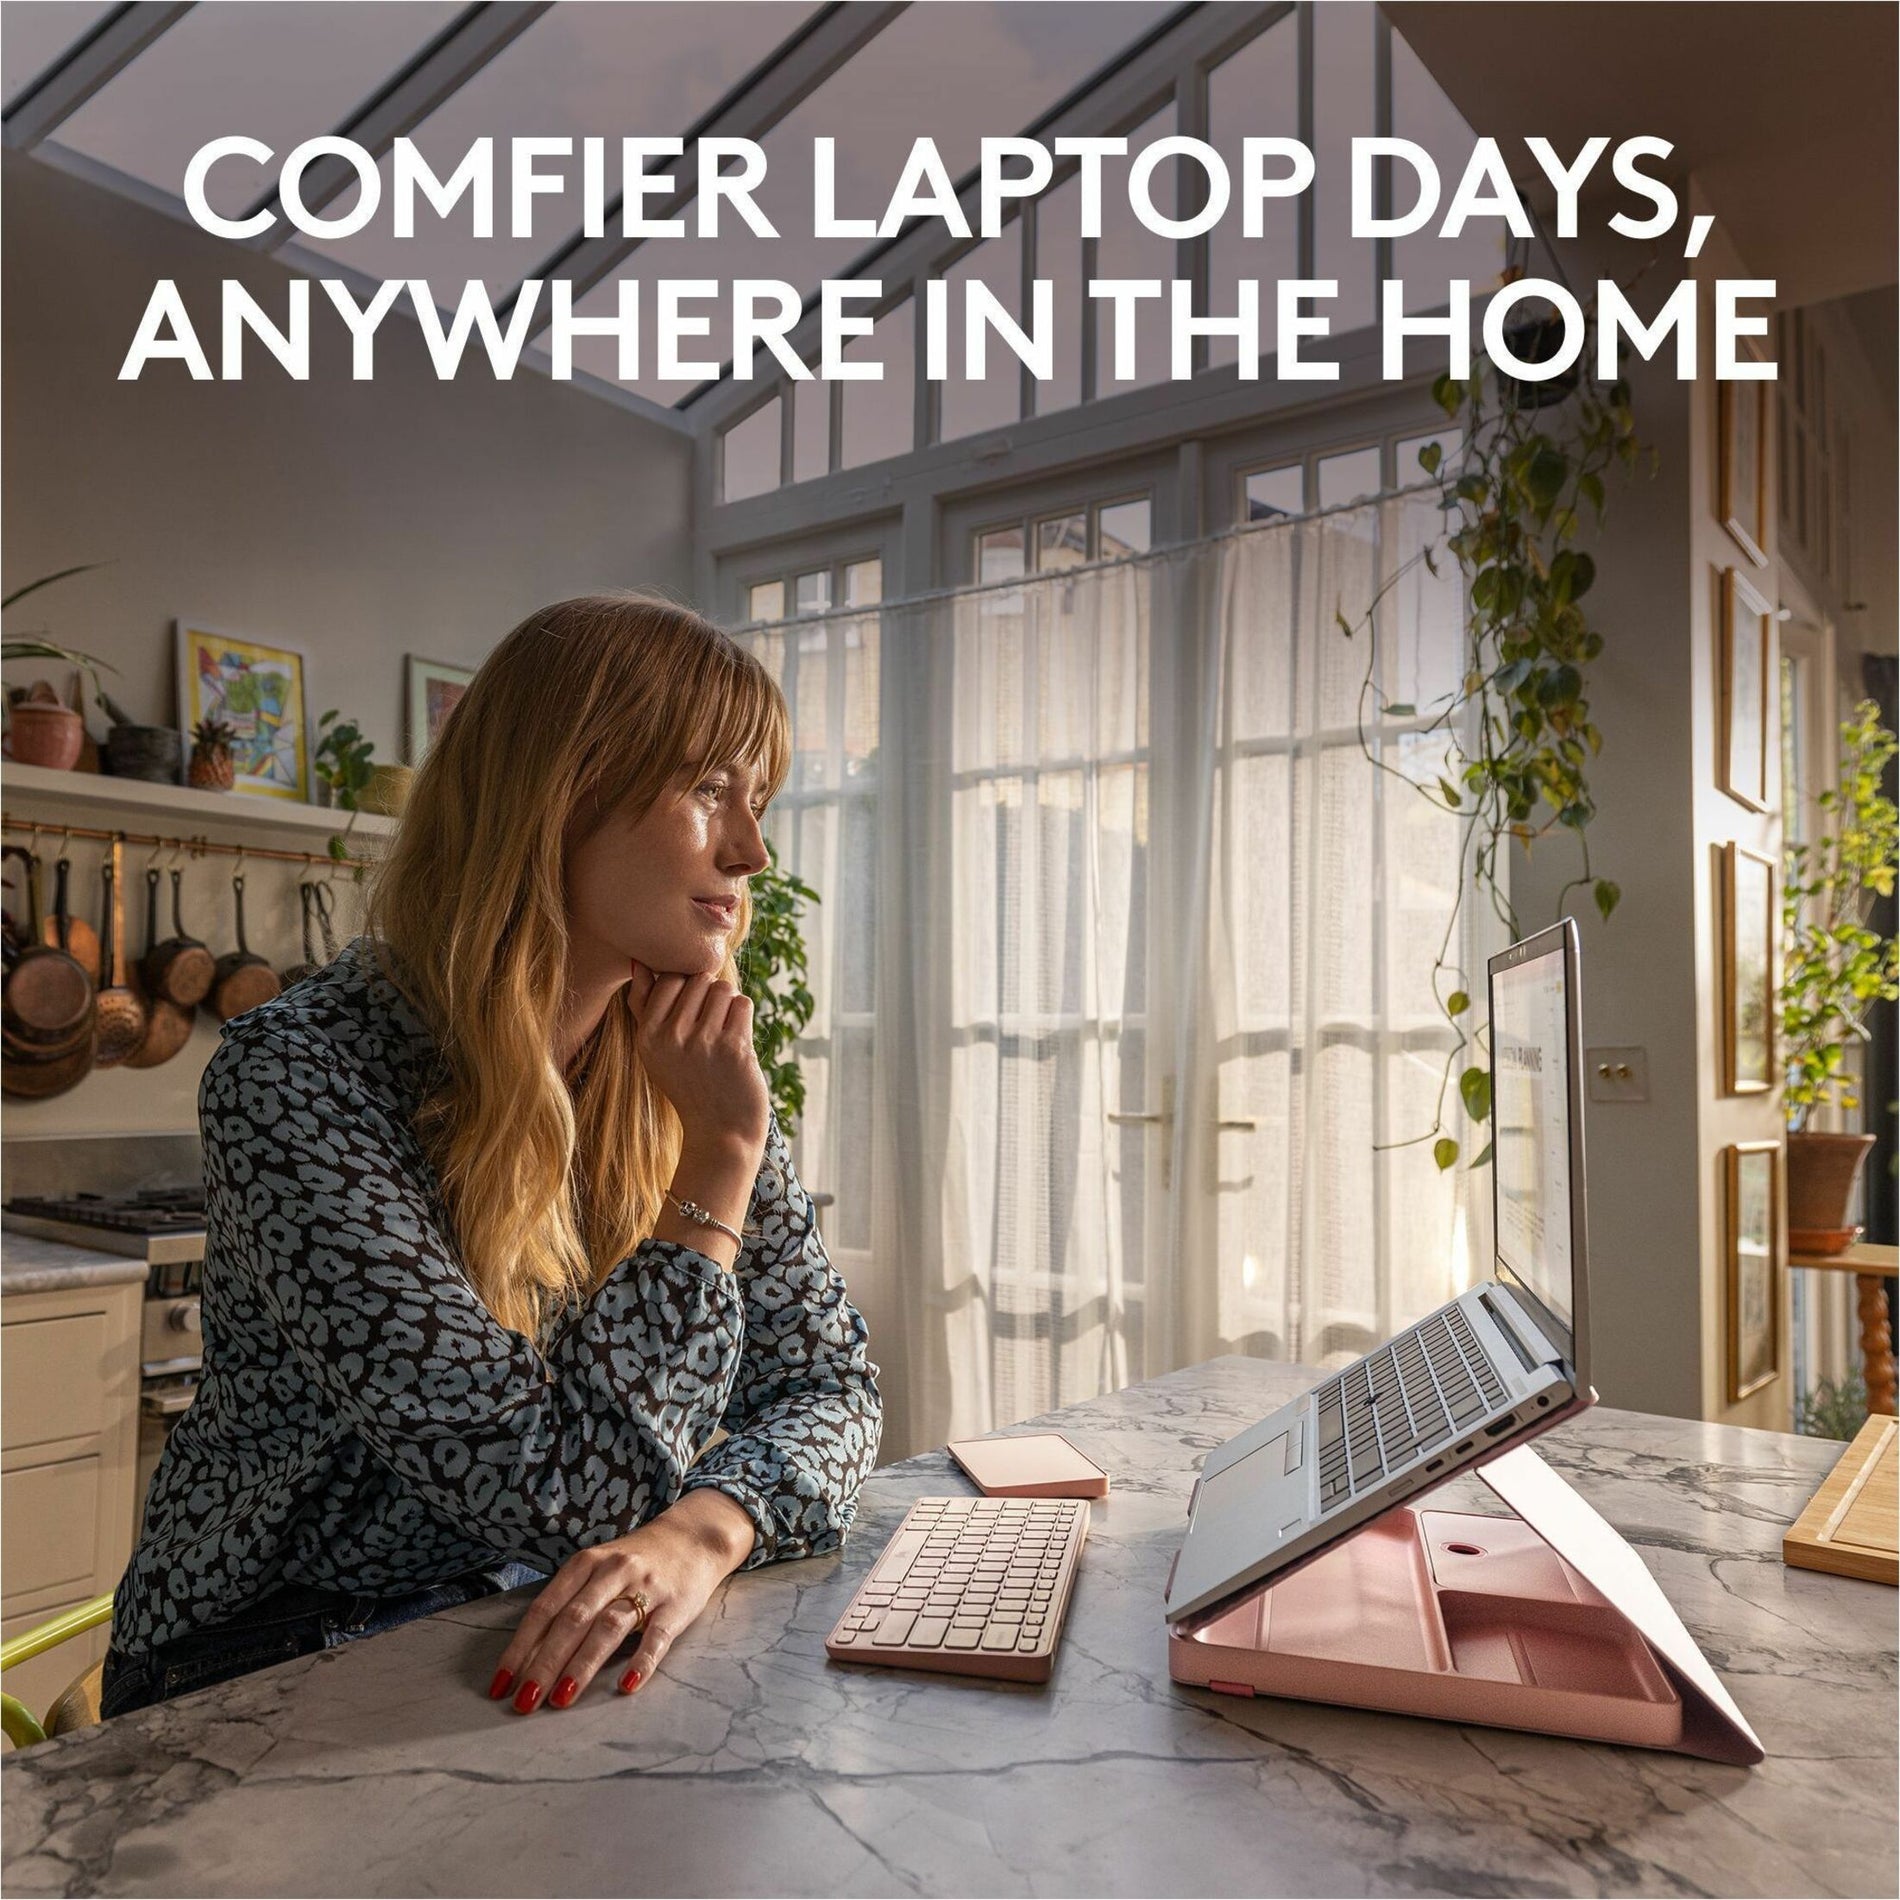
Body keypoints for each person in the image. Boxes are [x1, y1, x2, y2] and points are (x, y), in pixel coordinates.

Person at [103, 595, 882, 1720]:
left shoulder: (674, 1064)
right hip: (256, 1668)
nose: (750, 851)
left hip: (514, 1618)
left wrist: (700, 1533)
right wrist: (718, 1156)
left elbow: (833, 1385)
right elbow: (556, 1490)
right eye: (710, 789)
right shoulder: (302, 1073)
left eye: (756, 802)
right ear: (563, 790)